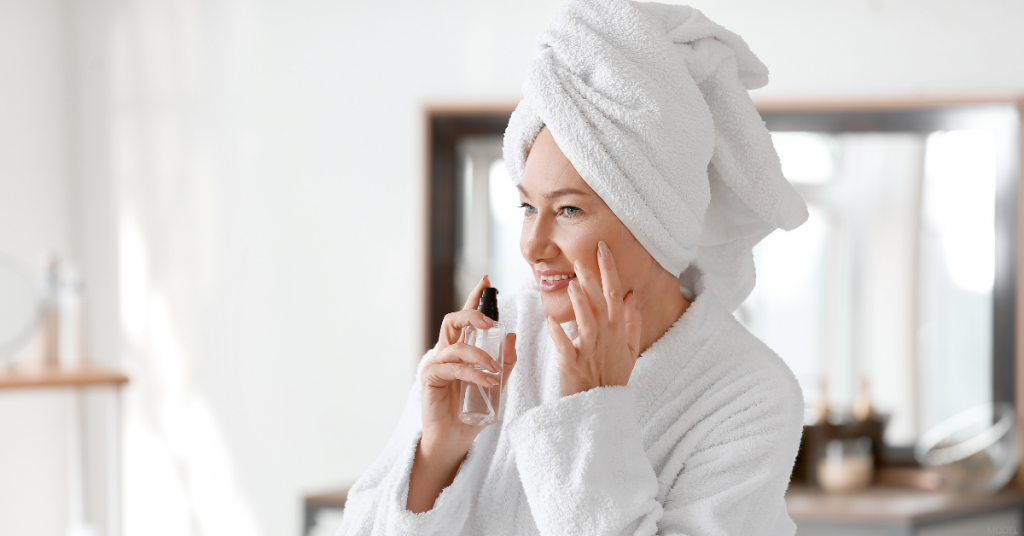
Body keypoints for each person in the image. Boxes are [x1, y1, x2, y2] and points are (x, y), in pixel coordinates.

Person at [338, 1, 809, 534]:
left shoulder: (747, 394)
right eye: (526, 207)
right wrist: (435, 458)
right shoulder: (502, 343)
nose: (532, 246)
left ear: (655, 219)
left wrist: (592, 409)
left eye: (568, 210)